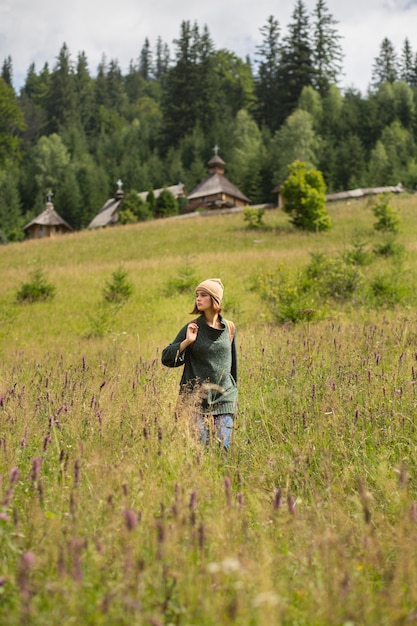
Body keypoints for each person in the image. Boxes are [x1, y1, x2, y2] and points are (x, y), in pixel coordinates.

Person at [161, 278, 238, 451]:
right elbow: (166, 358)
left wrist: (234, 396)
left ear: (215, 299)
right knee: (202, 450)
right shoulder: (192, 327)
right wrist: (187, 342)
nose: (198, 299)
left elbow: (233, 368)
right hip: (195, 400)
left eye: (203, 295)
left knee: (221, 450)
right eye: (197, 295)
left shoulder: (230, 328)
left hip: (224, 399)